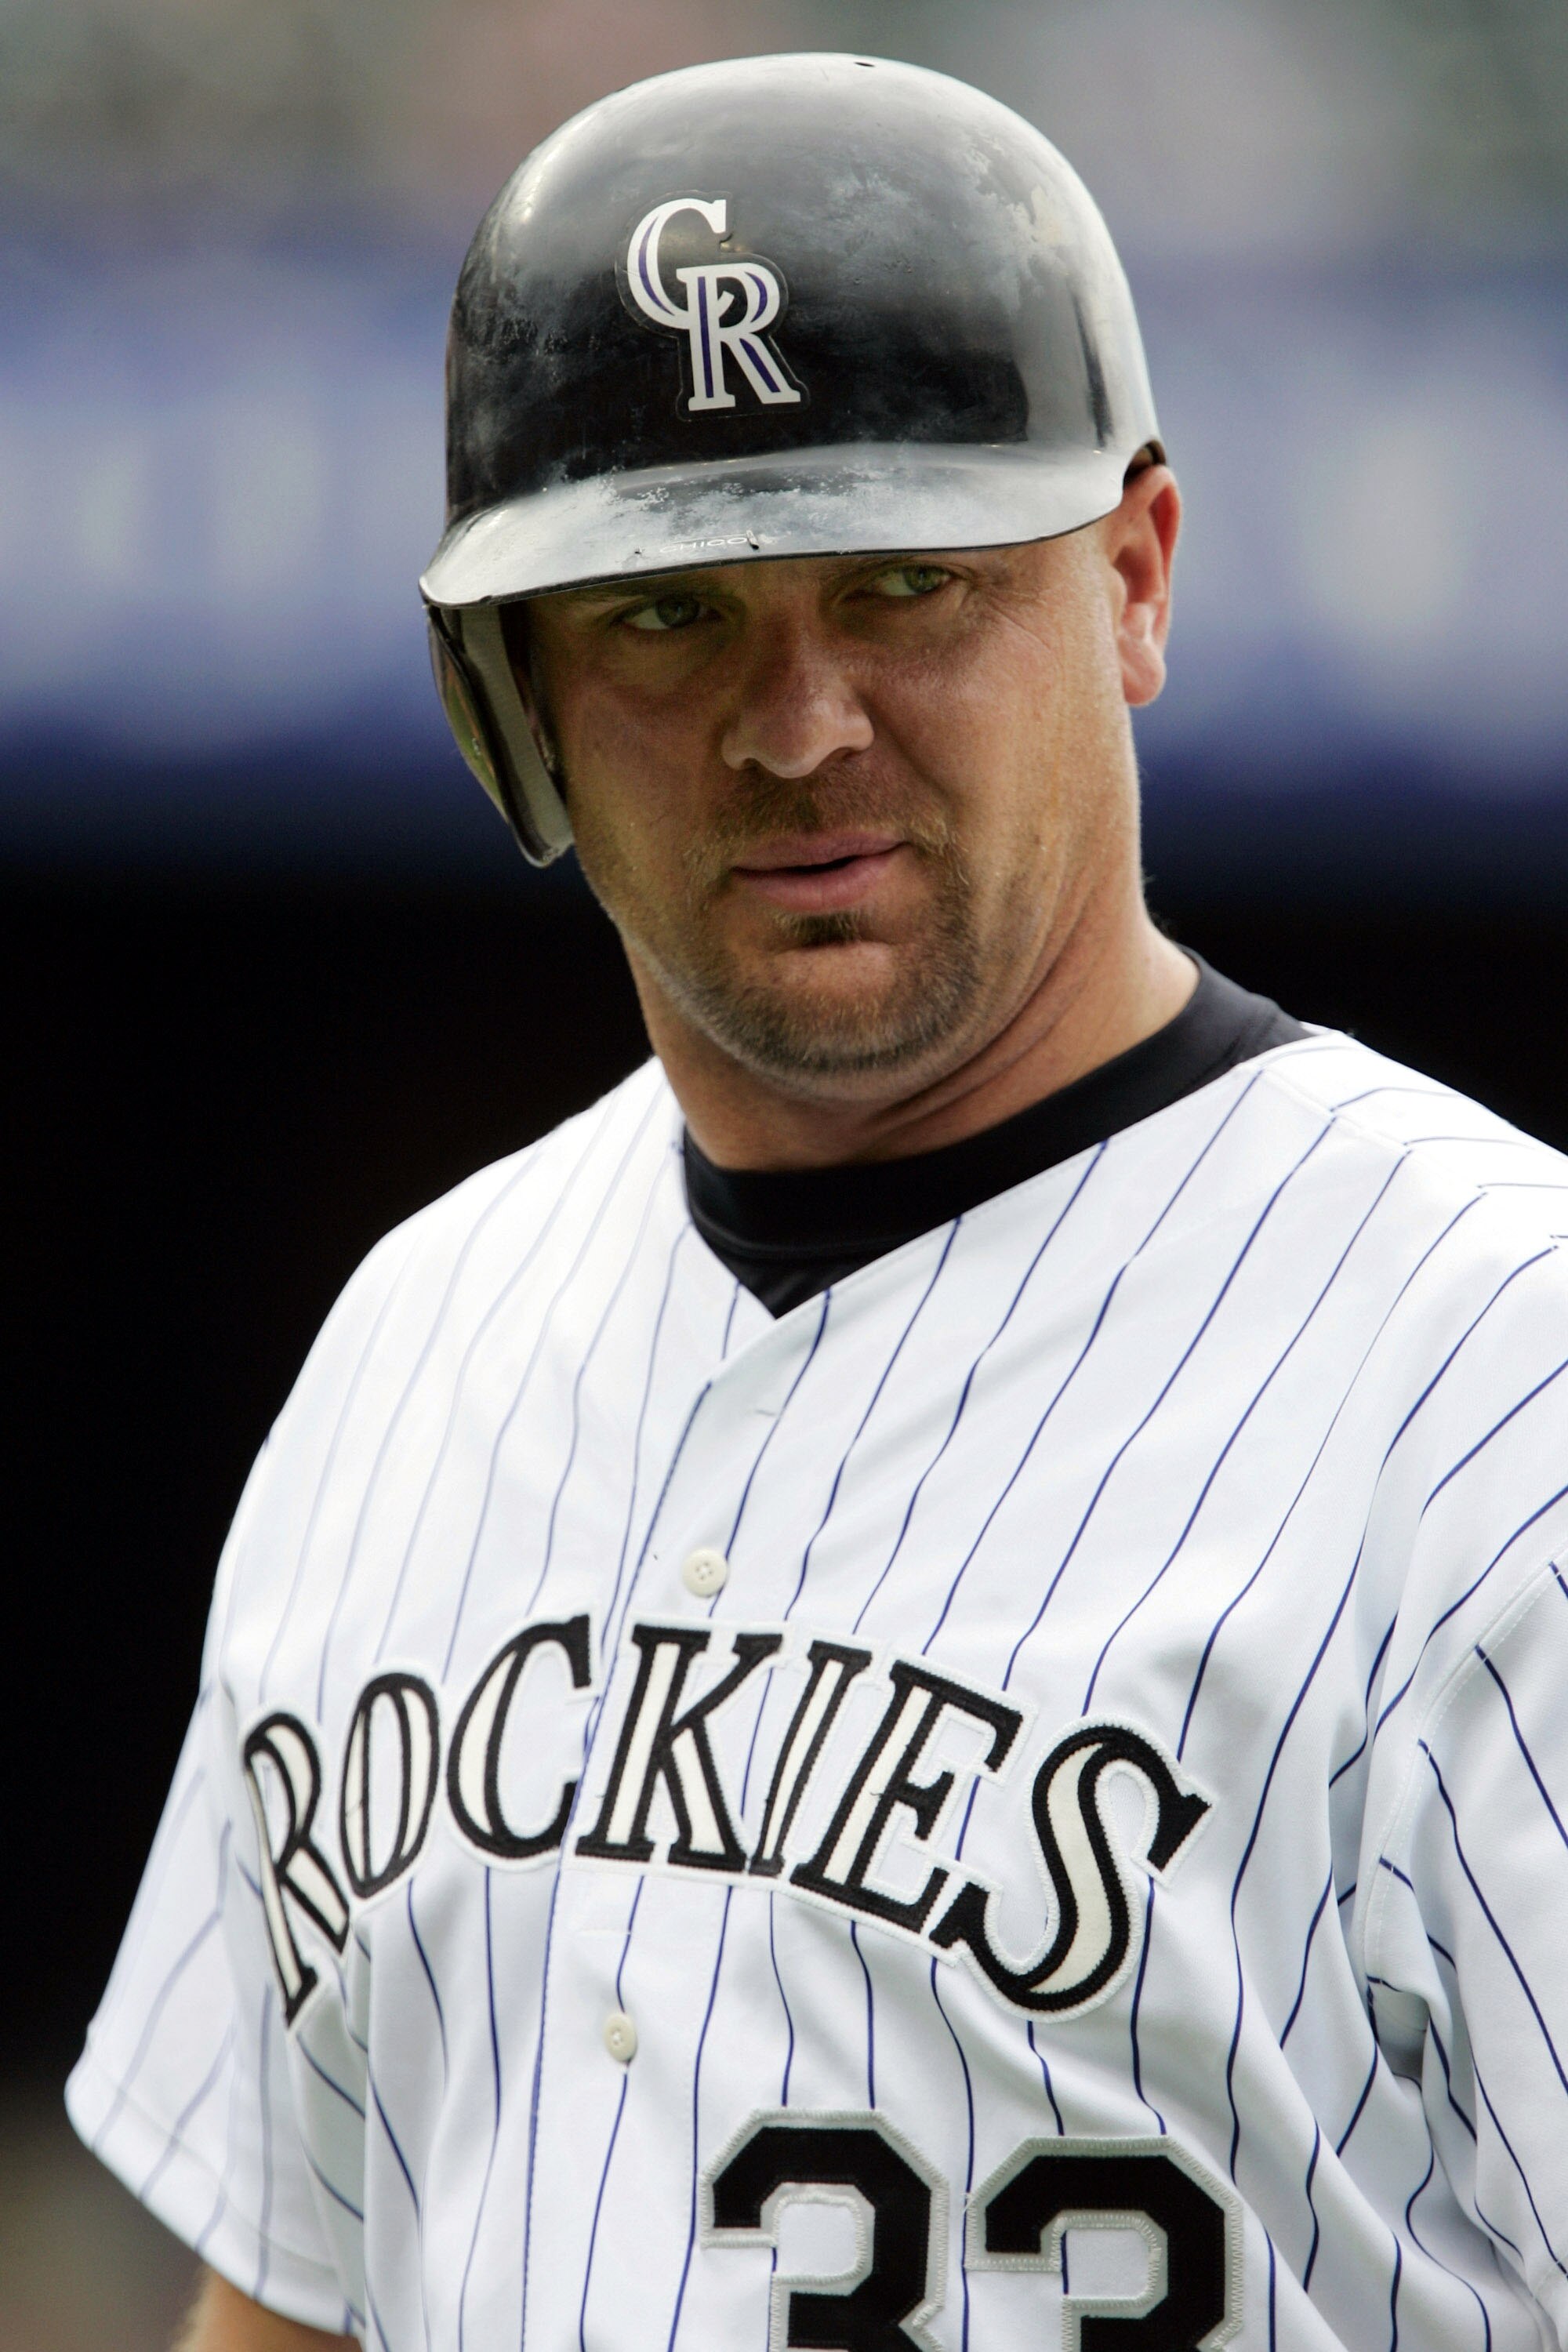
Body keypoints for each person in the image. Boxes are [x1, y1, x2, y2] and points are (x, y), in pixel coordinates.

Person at [69, 53, 1568, 2352]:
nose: (801, 725)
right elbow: (297, 2279)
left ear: (1136, 578)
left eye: (906, 582)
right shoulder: (411, 1350)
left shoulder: (1498, 1381)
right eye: (671, 617)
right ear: (515, 690)